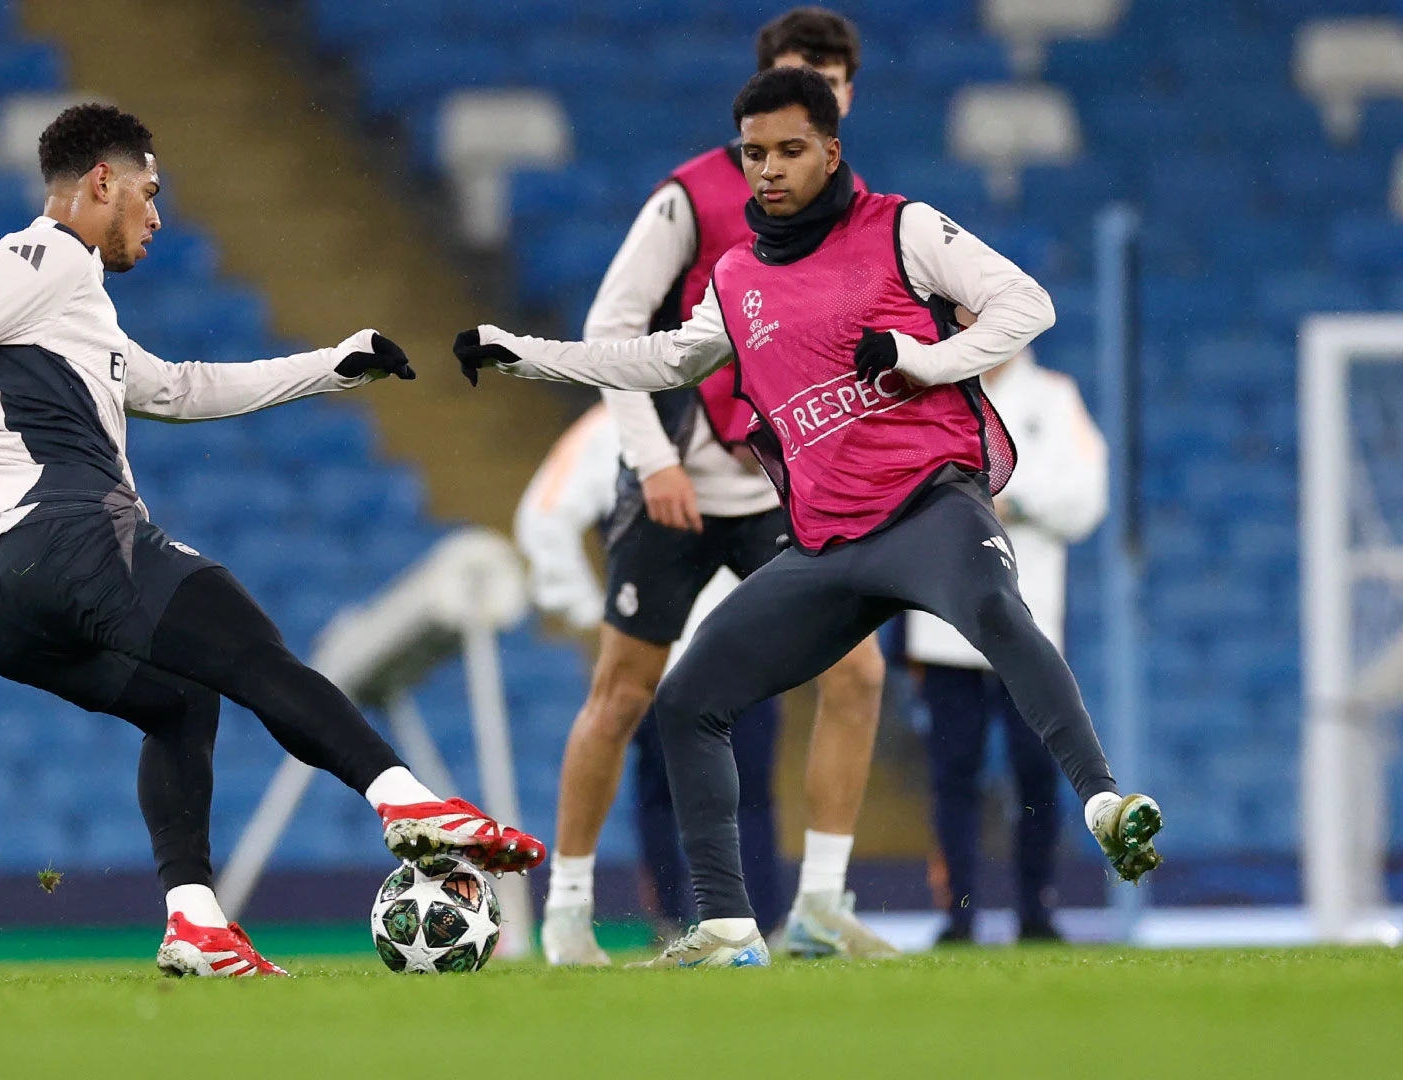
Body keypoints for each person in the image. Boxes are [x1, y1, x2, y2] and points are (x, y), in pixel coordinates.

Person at [0, 103, 544, 979]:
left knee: (182, 702)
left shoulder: (78, 310)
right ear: (99, 184)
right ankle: (407, 804)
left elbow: (182, 388)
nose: (157, 216)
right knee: (247, 643)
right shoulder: (40, 258)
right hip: (62, 535)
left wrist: (328, 367)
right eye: (148, 194)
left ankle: (194, 921)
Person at [454, 67, 1163, 969]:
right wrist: (524, 355)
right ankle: (729, 930)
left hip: (929, 505)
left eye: (791, 150)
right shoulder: (738, 273)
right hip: (831, 544)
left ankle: (1103, 803)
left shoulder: (902, 227)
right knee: (686, 702)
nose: (770, 170)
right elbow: (666, 359)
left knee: (996, 614)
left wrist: (925, 358)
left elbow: (1030, 304)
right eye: (754, 153)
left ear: (831, 150)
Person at [534, 6, 893, 967]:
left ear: (844, 104)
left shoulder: (864, 217)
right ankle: (567, 914)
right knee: (622, 694)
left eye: (829, 77)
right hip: (673, 483)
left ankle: (819, 906)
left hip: (779, 492)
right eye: (793, 72)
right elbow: (610, 327)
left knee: (857, 673)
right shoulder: (690, 197)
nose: (812, 87)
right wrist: (651, 458)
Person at [514, 406, 785, 946]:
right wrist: (595, 612)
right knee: (686, 792)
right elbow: (544, 516)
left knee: (742, 790)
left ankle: (755, 924)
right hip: (667, 651)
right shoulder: (617, 417)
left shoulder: (763, 394)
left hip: (744, 644)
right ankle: (679, 920)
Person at [906, 347, 1108, 945]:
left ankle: (1036, 909)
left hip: (1031, 619)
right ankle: (959, 914)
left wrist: (1013, 499)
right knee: (952, 772)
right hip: (944, 622)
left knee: (1036, 771)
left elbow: (1085, 498)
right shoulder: (931, 388)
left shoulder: (1055, 396)